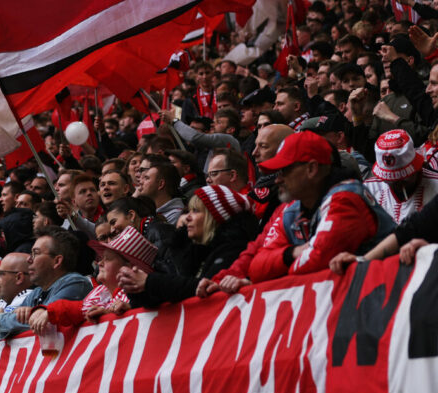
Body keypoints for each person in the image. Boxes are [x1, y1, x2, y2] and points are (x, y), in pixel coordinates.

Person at [247, 131, 396, 282]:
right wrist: (292, 253)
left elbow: (316, 264)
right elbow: (256, 269)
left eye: (284, 171)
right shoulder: (292, 208)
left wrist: (281, 271)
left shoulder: (346, 199)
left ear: (311, 169)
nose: (277, 180)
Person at [119, 185, 258, 306]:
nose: (188, 218)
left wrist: (149, 282)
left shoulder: (234, 248)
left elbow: (202, 288)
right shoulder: (194, 251)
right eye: (188, 211)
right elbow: (175, 288)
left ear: (215, 217)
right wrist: (136, 290)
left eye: (196, 211)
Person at [29, 227, 154, 330]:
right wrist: (51, 311)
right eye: (101, 258)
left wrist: (110, 317)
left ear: (132, 268)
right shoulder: (100, 291)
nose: (99, 263)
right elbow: (81, 309)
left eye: (108, 259)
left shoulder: (138, 296)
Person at [0, 227, 91, 339]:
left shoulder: (75, 283)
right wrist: (5, 321)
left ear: (57, 261)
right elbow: (4, 331)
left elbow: (43, 322)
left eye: (36, 253)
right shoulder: (37, 292)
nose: (29, 259)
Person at [364, 129, 438, 223]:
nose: (399, 184)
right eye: (391, 180)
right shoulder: (369, 190)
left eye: (405, 179)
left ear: (418, 167)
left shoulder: (436, 187)